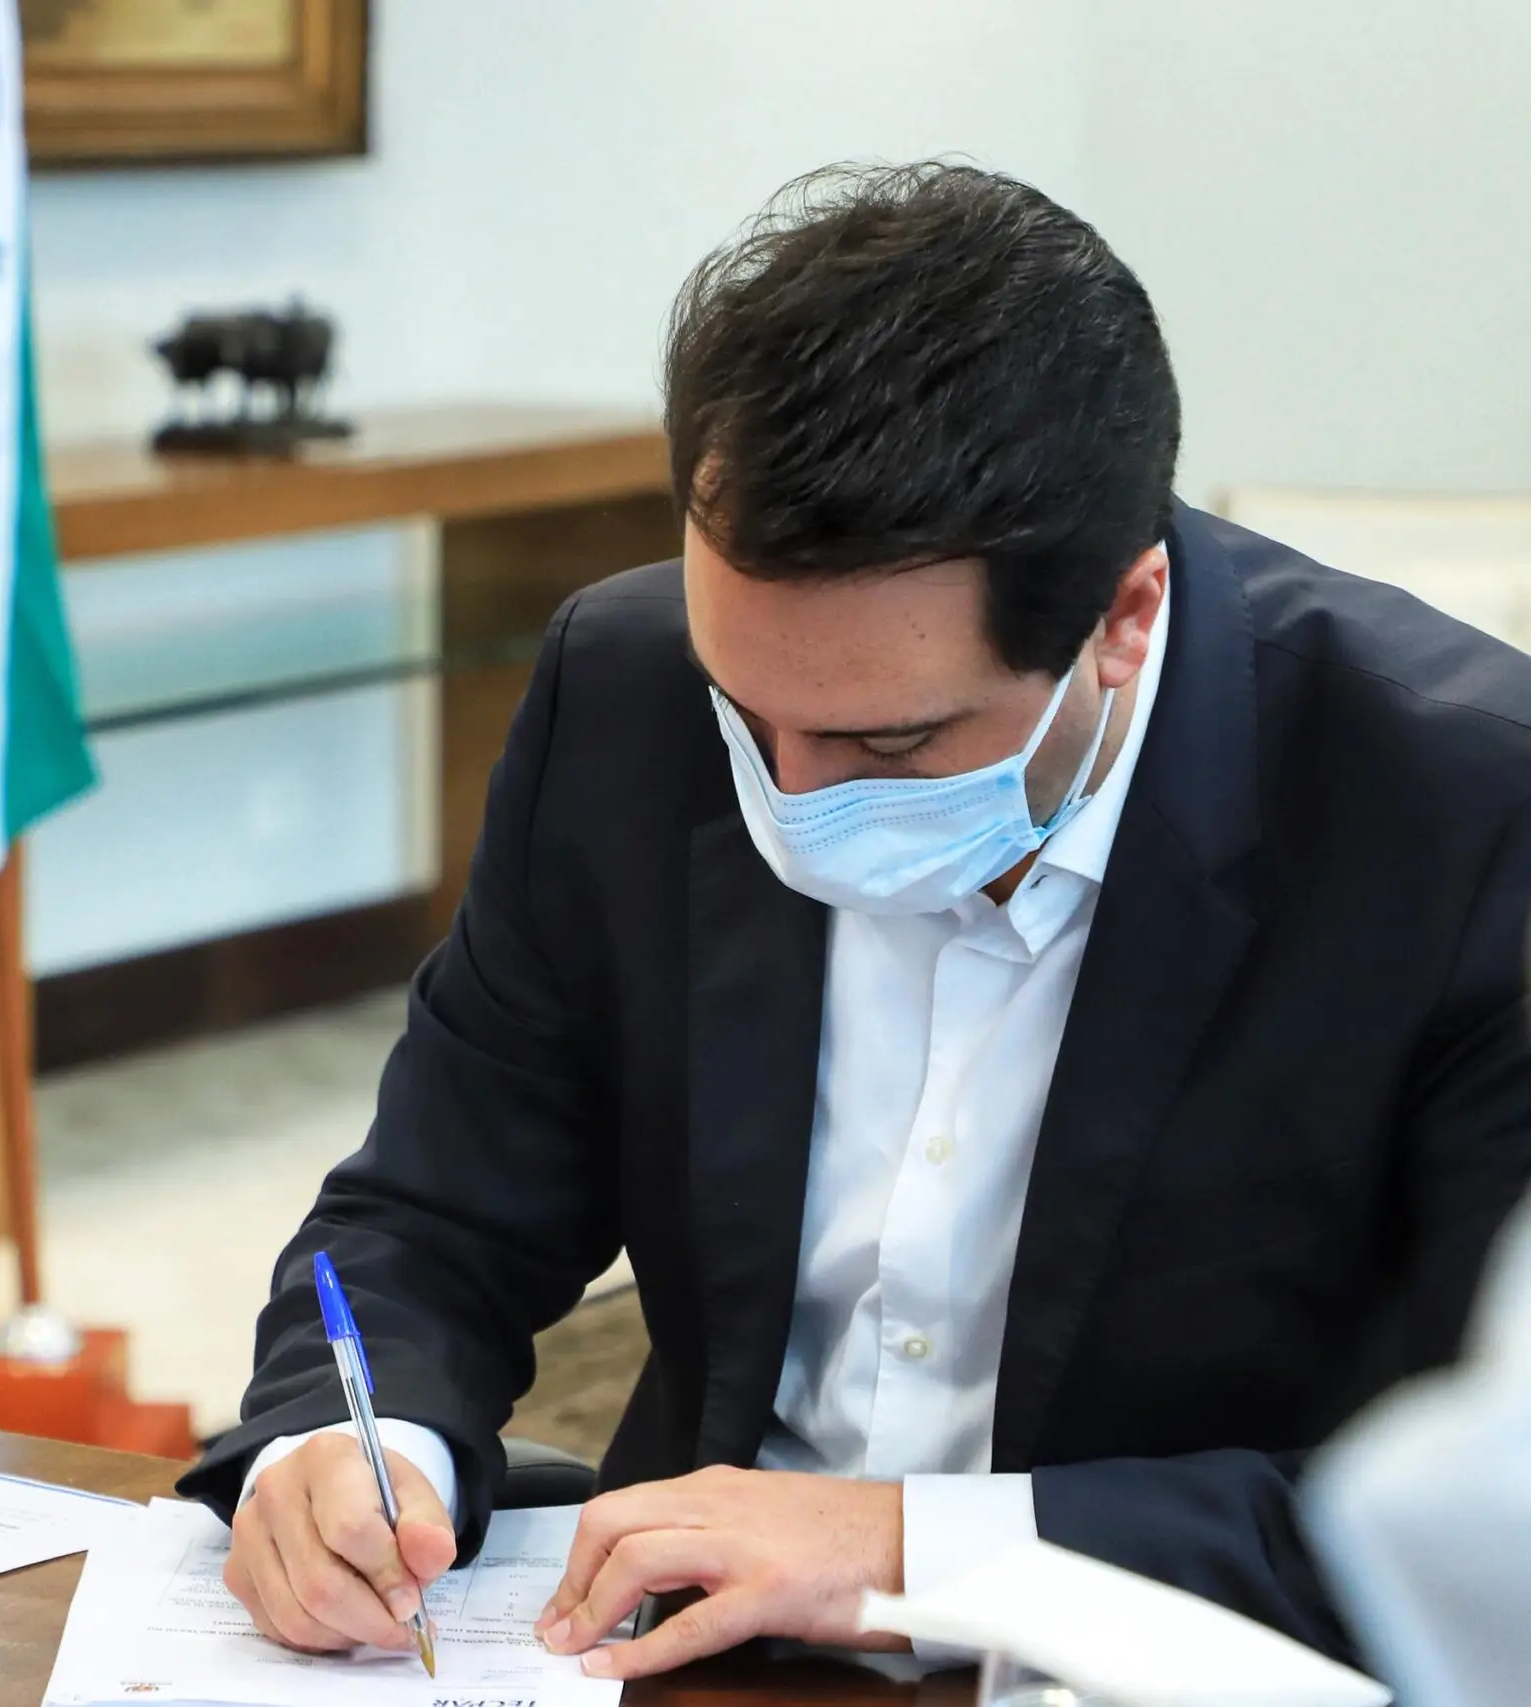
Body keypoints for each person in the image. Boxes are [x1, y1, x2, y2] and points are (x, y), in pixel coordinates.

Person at [176, 161, 1531, 1679]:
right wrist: (356, 1443)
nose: (793, 793)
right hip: (686, 1654)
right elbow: (436, 1210)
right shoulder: (622, 689)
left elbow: (1485, 1528)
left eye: (889, 742)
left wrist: (910, 1548)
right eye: (746, 710)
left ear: (1125, 615)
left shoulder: (1467, 819)